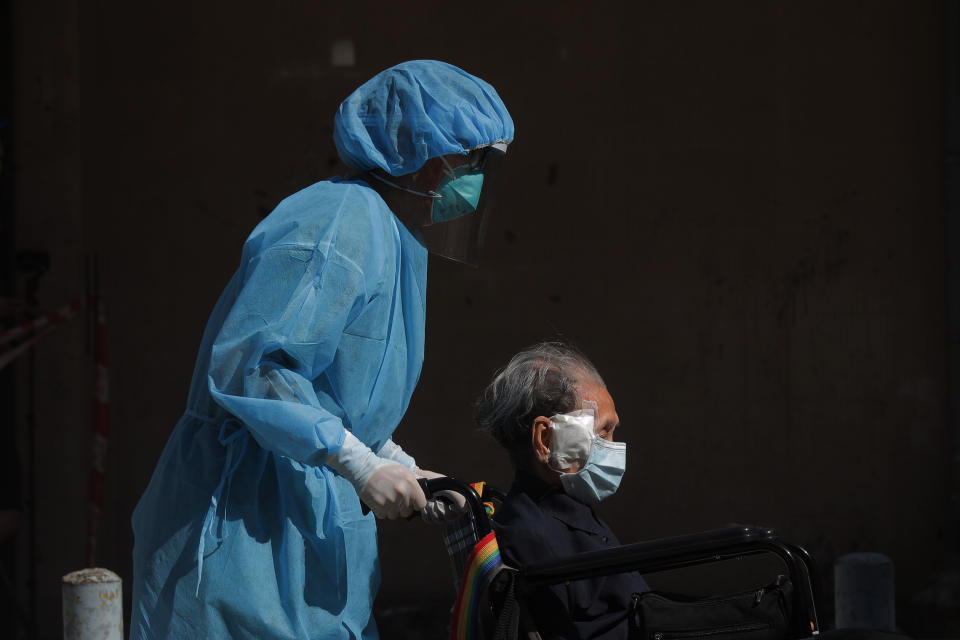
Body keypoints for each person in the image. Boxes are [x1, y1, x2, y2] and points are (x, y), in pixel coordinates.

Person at [131, 60, 514, 639]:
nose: (474, 176)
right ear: (419, 148)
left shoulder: (391, 235)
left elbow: (336, 392)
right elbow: (255, 370)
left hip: (302, 509)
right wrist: (358, 462)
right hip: (242, 512)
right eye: (470, 157)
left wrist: (394, 459)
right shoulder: (339, 221)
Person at [475, 342, 648, 640]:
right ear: (545, 439)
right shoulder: (532, 536)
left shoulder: (567, 513)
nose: (614, 446)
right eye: (604, 431)